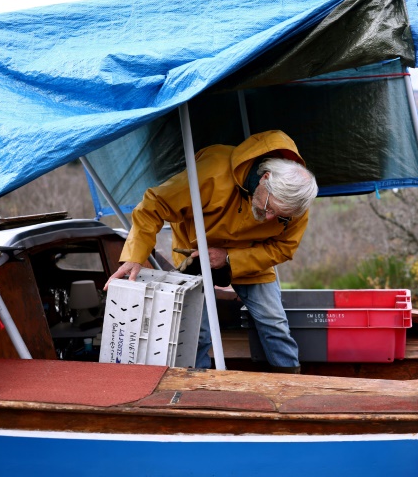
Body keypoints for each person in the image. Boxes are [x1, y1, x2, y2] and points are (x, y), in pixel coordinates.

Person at [104, 130, 318, 373]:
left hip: (252, 262)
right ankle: (198, 385)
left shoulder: (295, 204)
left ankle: (291, 382)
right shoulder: (212, 171)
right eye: (270, 207)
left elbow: (283, 248)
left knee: (275, 324)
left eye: (279, 216)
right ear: (265, 178)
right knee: (198, 331)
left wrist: (228, 257)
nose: (269, 217)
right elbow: (153, 205)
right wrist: (134, 257)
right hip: (195, 258)